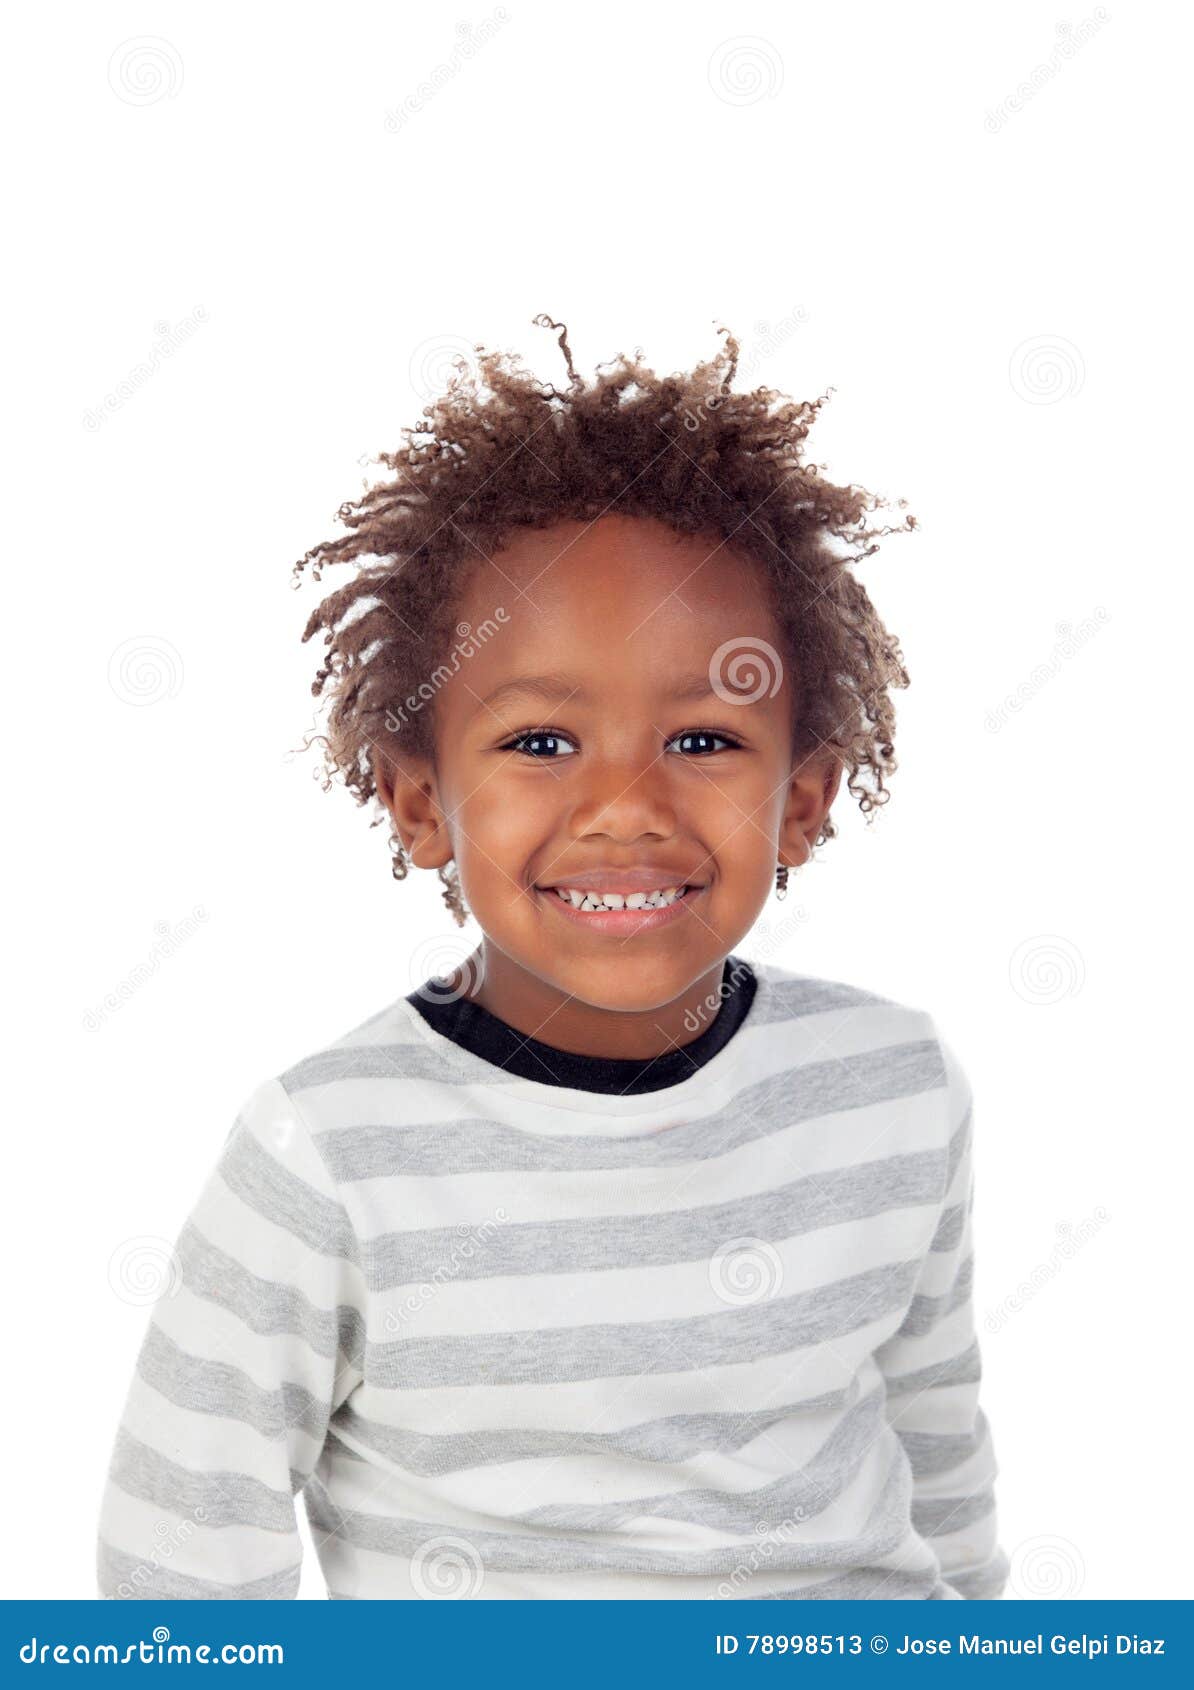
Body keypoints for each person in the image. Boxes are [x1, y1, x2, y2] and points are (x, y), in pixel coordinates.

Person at [96, 315, 1009, 1600]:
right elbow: (180, 1572)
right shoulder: (329, 1151)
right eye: (539, 744)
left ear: (803, 801)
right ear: (420, 802)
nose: (625, 809)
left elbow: (938, 1458)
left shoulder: (892, 1085)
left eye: (704, 741)